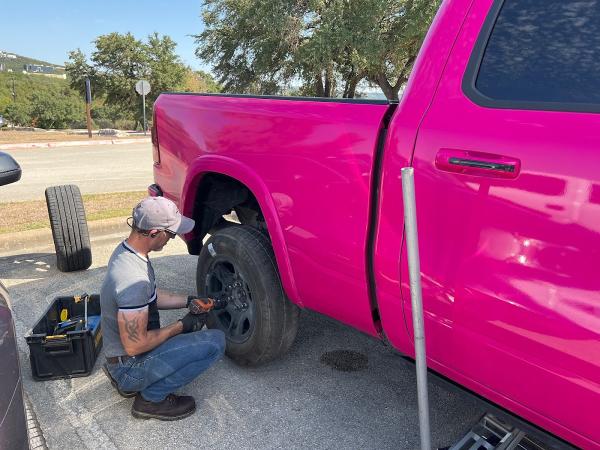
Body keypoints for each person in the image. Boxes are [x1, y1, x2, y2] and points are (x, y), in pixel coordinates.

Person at [100, 196, 226, 420]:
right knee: (215, 342)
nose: (172, 239)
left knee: (188, 337)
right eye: (171, 233)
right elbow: (134, 345)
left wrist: (189, 300)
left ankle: (132, 383)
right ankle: (151, 399)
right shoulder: (132, 279)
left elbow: (151, 296)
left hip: (120, 358)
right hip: (129, 365)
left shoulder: (127, 252)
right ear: (154, 232)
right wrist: (181, 326)